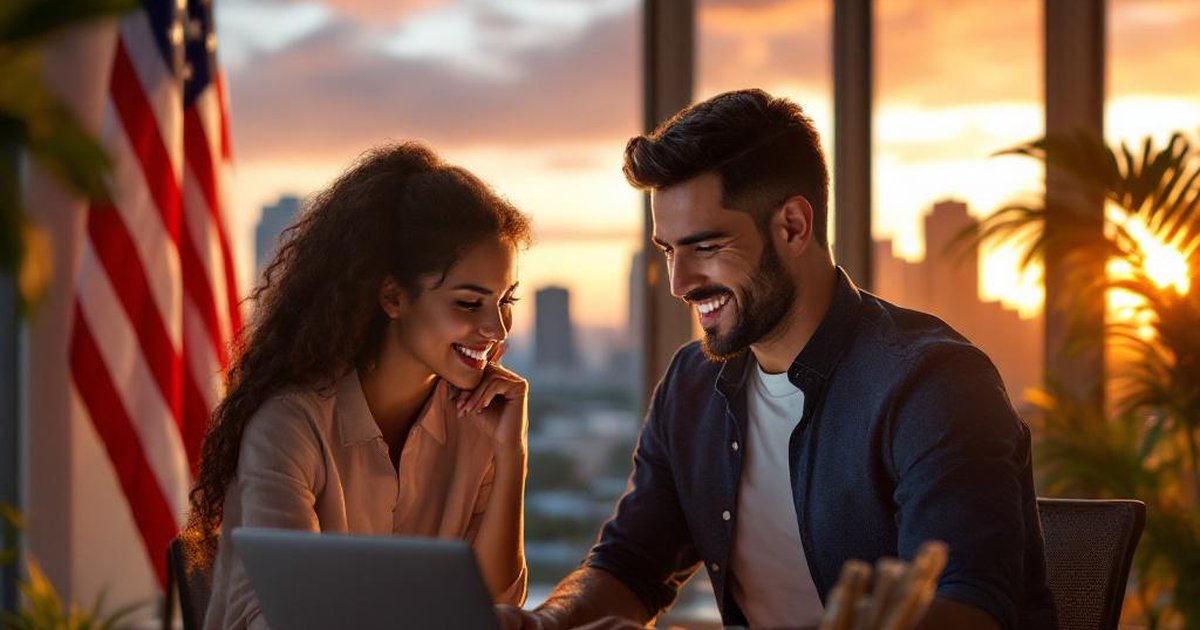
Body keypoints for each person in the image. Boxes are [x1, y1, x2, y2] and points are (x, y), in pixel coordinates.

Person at [499, 89, 1057, 630]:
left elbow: (968, 610)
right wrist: (549, 623)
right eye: (670, 251)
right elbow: (630, 567)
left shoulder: (933, 385)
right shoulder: (691, 386)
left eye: (707, 247)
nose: (680, 283)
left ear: (793, 225)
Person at [185, 143, 532, 630]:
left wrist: (511, 453)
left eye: (505, 301)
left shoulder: (480, 423)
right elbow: (273, 618)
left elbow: (495, 607)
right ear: (393, 296)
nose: (497, 329)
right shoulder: (291, 424)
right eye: (469, 303)